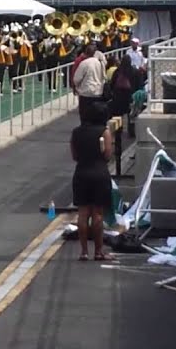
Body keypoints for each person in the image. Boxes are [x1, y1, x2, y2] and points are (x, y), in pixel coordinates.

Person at [70, 101, 114, 261]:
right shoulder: (104, 132)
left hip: (81, 172)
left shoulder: (76, 132)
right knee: (97, 213)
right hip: (99, 173)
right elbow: (108, 155)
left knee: (82, 214)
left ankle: (83, 251)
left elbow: (74, 156)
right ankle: (98, 251)